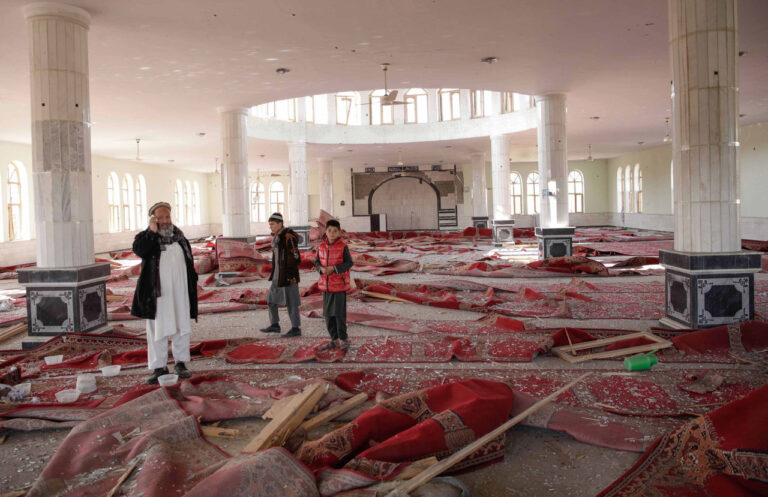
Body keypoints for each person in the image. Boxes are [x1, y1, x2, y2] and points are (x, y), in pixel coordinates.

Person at [131, 202, 198, 384]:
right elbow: (140, 250)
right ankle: (158, 367)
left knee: (181, 326)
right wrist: (152, 232)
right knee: (156, 330)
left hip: (180, 292)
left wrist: (193, 284)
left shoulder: (180, 238)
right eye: (160, 217)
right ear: (153, 219)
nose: (165, 221)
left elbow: (189, 262)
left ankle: (180, 363)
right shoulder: (146, 237)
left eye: (167, 216)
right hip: (158, 295)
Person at [260, 212, 302, 337]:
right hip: (277, 277)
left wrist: (289, 274)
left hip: (288, 276)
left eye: (272, 224)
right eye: (270, 224)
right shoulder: (277, 237)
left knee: (292, 303)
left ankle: (296, 329)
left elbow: (296, 258)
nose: (270, 227)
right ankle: (275, 325)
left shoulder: (288, 237)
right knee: (271, 300)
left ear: (280, 224)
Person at [315, 219, 353, 350]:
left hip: (339, 286)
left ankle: (343, 339)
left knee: (339, 314)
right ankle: (334, 340)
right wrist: (321, 269)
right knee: (328, 314)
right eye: (329, 230)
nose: (332, 233)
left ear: (339, 232)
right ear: (325, 232)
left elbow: (349, 263)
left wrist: (334, 269)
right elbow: (317, 262)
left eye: (335, 231)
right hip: (325, 286)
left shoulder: (343, 247)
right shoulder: (321, 247)